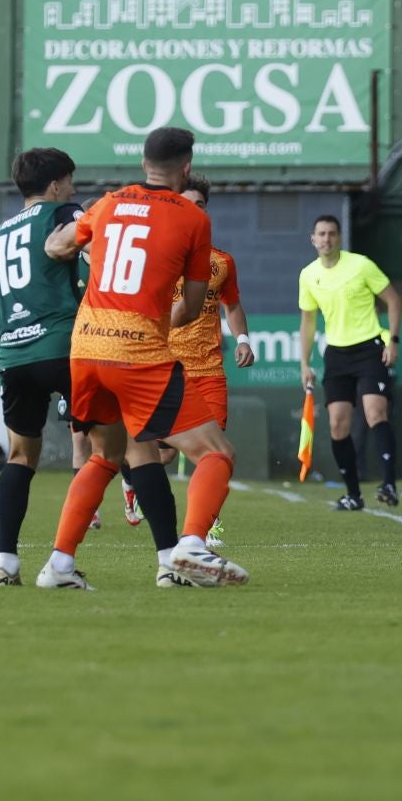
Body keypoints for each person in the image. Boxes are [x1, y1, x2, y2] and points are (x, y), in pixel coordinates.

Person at [36, 127, 249, 591]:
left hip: (86, 347)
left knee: (105, 456)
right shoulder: (192, 218)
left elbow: (56, 247)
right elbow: (192, 307)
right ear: (186, 167)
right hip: (136, 354)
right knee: (216, 452)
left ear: (142, 162)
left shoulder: (108, 203)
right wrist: (150, 326)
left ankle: (58, 565)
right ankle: (190, 546)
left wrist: (82, 245)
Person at [0, 148, 87, 586]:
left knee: (21, 457)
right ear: (56, 184)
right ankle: (168, 551)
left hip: (13, 355)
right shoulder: (65, 212)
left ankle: (5, 562)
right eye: (71, 180)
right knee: (116, 449)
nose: (74, 188)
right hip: (63, 346)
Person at [154, 175, 254, 539]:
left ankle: (205, 527)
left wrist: (242, 338)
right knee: (161, 455)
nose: (193, 212)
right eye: (186, 205)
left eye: (200, 206)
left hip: (209, 368)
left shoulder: (221, 262)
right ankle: (132, 480)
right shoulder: (157, 256)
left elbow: (232, 305)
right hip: (166, 367)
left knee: (216, 454)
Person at [298, 215, 402, 510]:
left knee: (375, 413)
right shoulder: (308, 275)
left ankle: (388, 484)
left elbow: (394, 301)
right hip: (336, 353)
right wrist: (304, 363)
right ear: (313, 239)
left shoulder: (361, 265)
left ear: (340, 238)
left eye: (332, 233)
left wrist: (392, 341)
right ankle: (353, 494)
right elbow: (308, 322)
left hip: (370, 347)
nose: (326, 239)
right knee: (337, 425)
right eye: (321, 234)